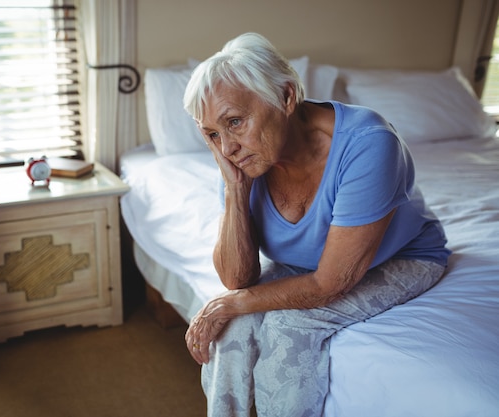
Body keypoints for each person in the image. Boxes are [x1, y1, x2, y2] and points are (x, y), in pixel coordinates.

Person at [182, 32, 451, 417]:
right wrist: (235, 190)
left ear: (286, 97)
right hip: (308, 265)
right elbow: (236, 278)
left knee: (288, 329)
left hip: (402, 258)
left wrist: (231, 304)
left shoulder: (369, 143)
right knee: (232, 329)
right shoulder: (243, 160)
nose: (227, 148)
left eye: (236, 122)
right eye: (212, 134)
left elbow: (330, 283)